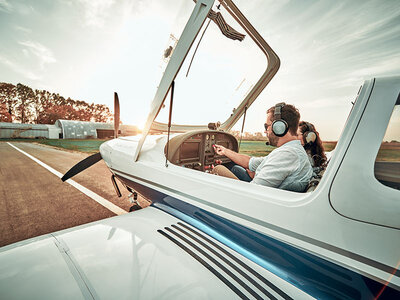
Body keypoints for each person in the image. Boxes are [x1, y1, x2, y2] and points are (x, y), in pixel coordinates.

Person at [212, 102, 313, 192]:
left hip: (256, 199)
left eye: (266, 126)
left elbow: (254, 191)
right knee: (234, 168)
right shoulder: (291, 150)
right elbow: (250, 162)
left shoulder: (288, 154)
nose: (265, 131)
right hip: (270, 195)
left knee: (218, 169)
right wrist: (225, 151)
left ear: (279, 127)